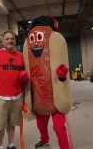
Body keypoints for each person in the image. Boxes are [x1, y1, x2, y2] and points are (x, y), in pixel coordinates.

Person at [23, 15, 72, 149]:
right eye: (33, 38)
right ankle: (44, 139)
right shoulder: (27, 46)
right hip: (39, 97)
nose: (37, 43)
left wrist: (61, 76)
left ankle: (65, 147)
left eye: (40, 38)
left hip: (56, 96)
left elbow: (60, 67)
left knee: (59, 126)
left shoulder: (56, 41)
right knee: (40, 124)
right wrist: (24, 78)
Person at [0, 30, 28, 149]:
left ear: (15, 41)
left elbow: (25, 76)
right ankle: (0, 147)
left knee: (12, 123)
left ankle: (11, 144)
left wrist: (25, 94)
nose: (10, 41)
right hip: (0, 96)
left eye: (12, 39)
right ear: (2, 42)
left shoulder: (21, 57)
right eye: (7, 39)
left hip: (17, 95)